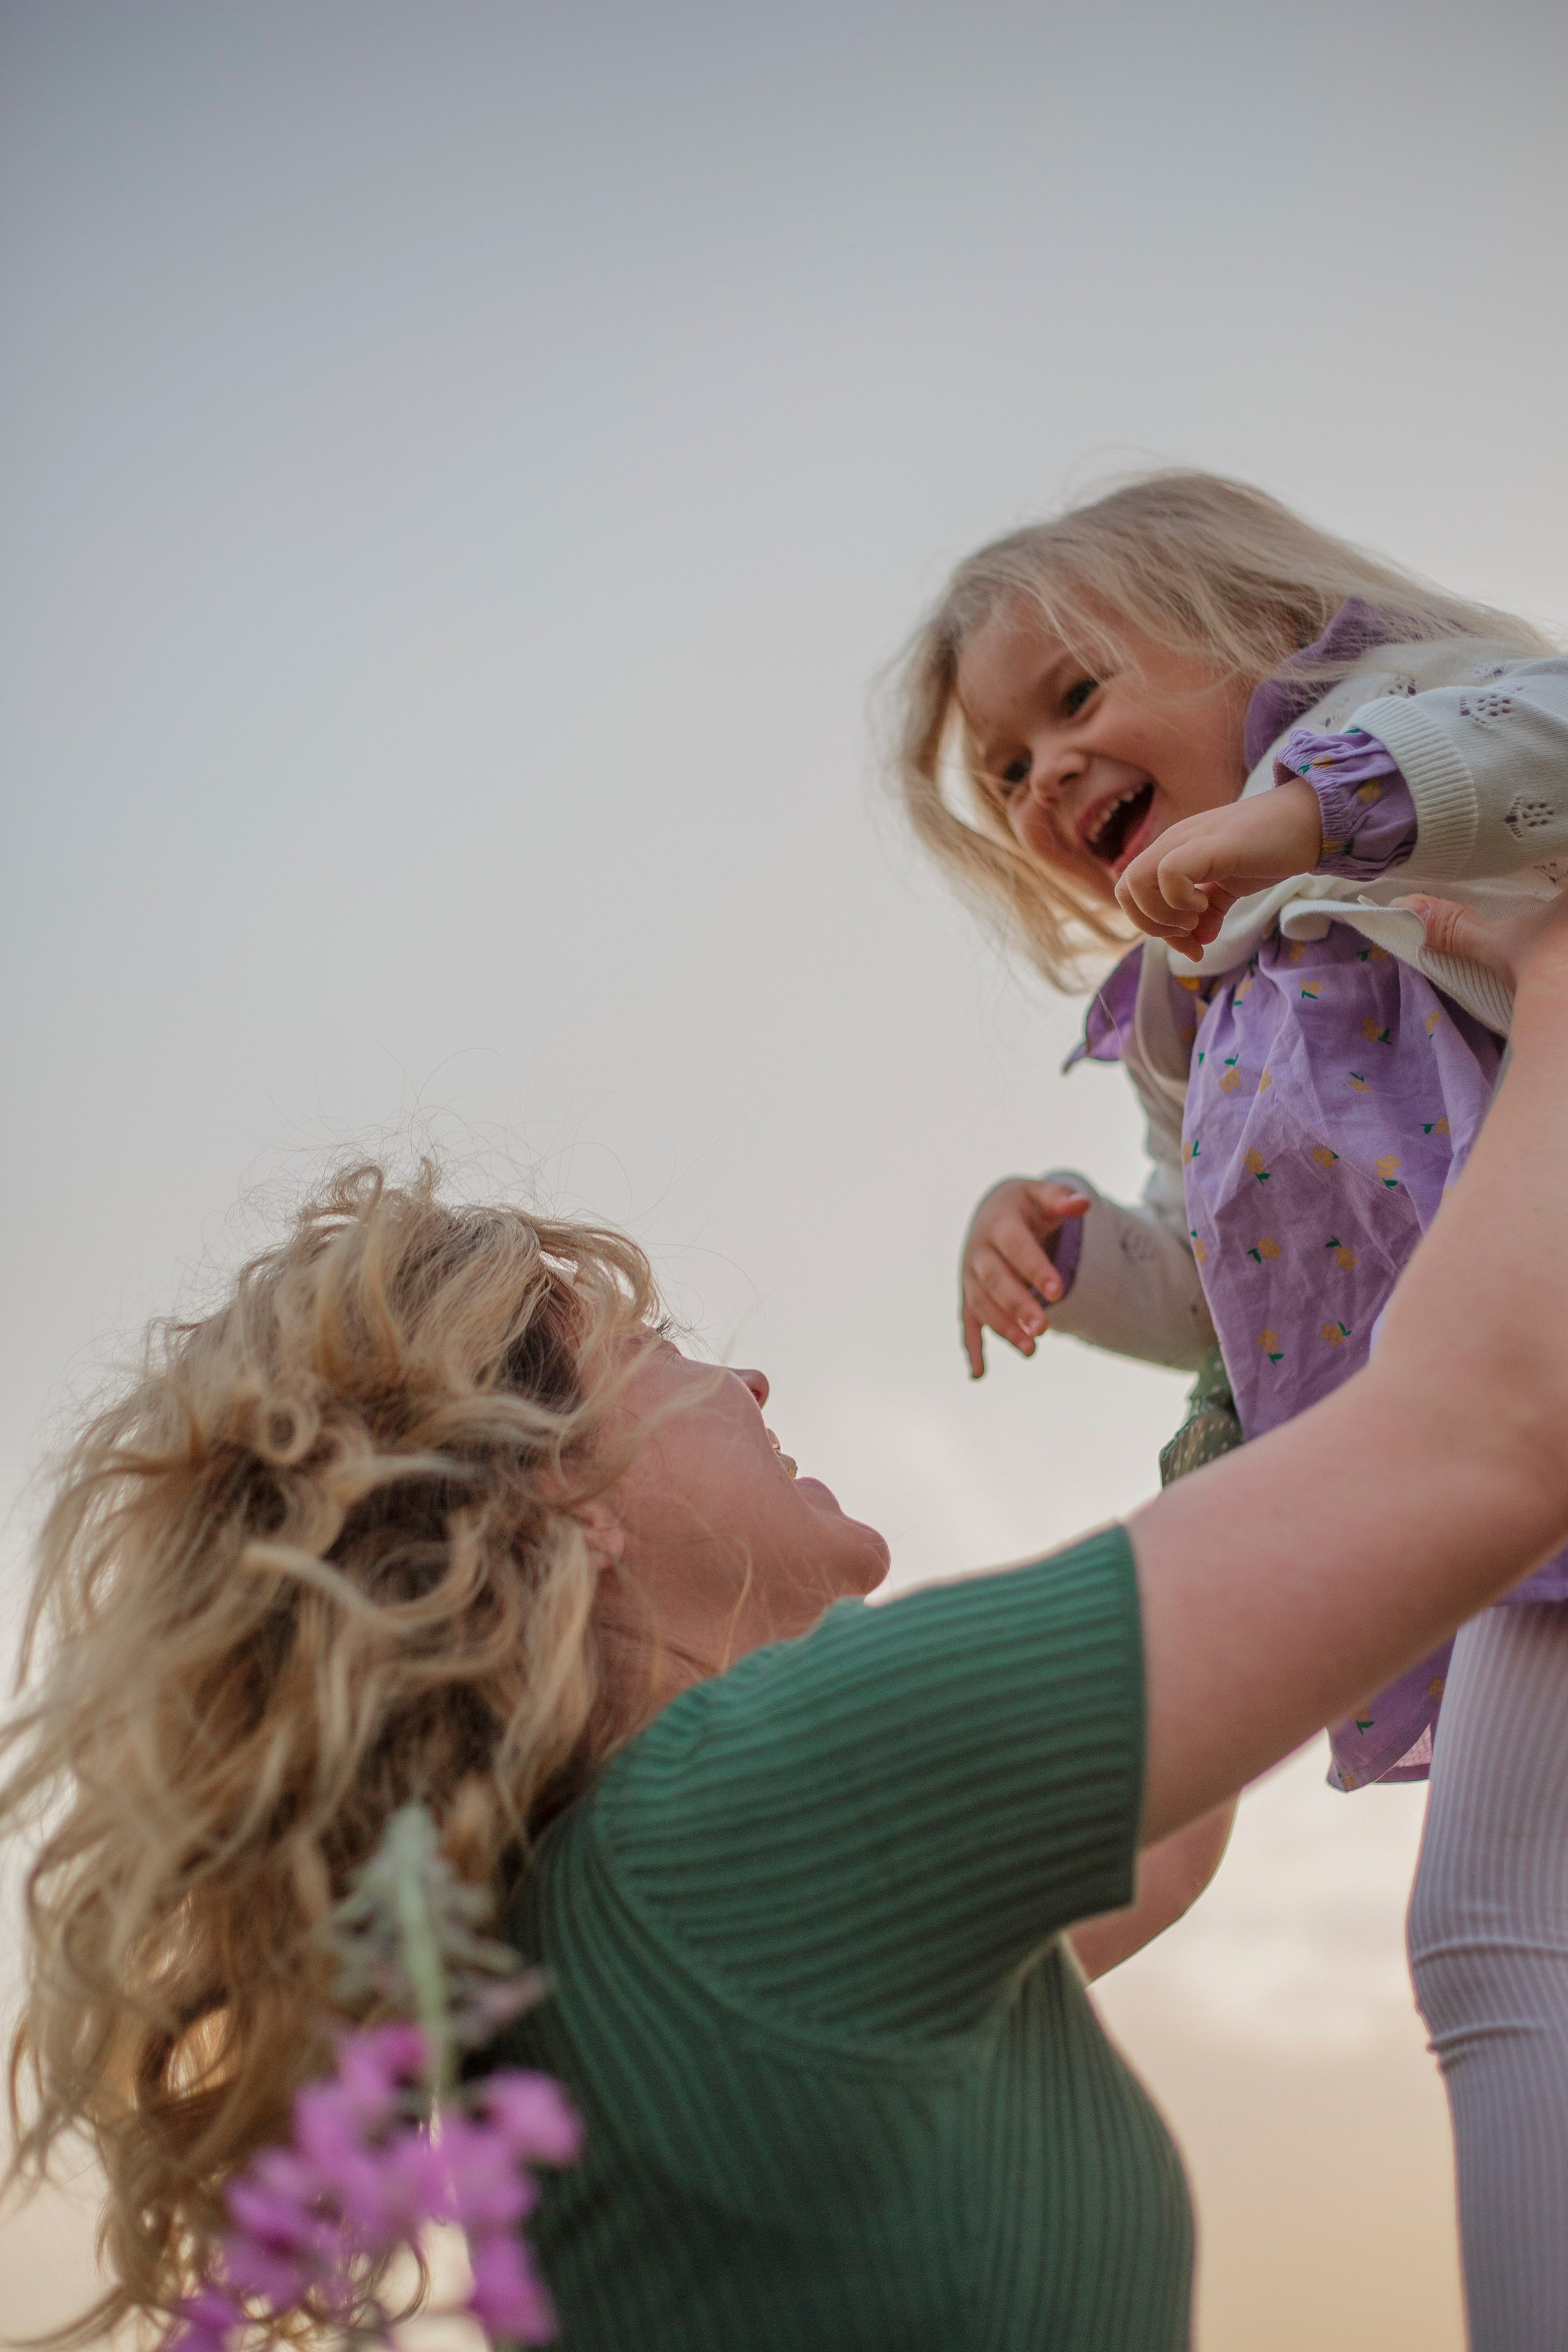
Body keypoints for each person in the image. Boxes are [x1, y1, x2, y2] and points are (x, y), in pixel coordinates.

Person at [6, 904, 1568, 2352]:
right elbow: (1498, 1429)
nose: (742, 1384)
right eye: (658, 1348)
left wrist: (1230, 1370)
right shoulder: (742, 1819)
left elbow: (1158, 1853)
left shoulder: (579, 1925)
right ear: (555, 1501)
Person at [894, 471, 1568, 2343]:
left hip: (1539, 1433)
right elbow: (1239, 1294)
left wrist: (1310, 810)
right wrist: (1068, 1251)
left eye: (1076, 698)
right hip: (1506, 1494)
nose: (1042, 778)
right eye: (1007, 773)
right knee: (1513, 1940)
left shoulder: (1421, 754)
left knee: (1502, 1938)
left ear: (1263, 626)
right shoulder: (1198, 1007)